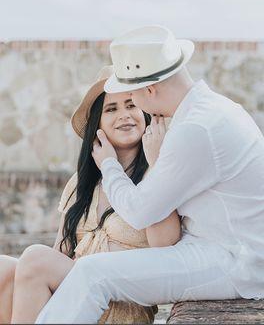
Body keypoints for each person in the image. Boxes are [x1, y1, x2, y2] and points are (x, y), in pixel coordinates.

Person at [34, 24, 264, 324]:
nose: (133, 109)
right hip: (223, 249)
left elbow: (140, 212)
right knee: (91, 272)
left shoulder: (196, 129)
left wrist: (109, 165)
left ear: (150, 89)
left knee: (93, 274)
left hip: (234, 261)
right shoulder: (214, 110)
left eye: (132, 98)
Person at [4, 65, 181, 324]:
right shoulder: (82, 184)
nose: (124, 115)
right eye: (112, 109)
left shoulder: (155, 175)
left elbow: (166, 246)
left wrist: (157, 166)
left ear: (145, 113)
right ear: (97, 124)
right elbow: (59, 254)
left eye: (131, 105)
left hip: (120, 301)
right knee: (4, 269)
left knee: (33, 258)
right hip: (75, 294)